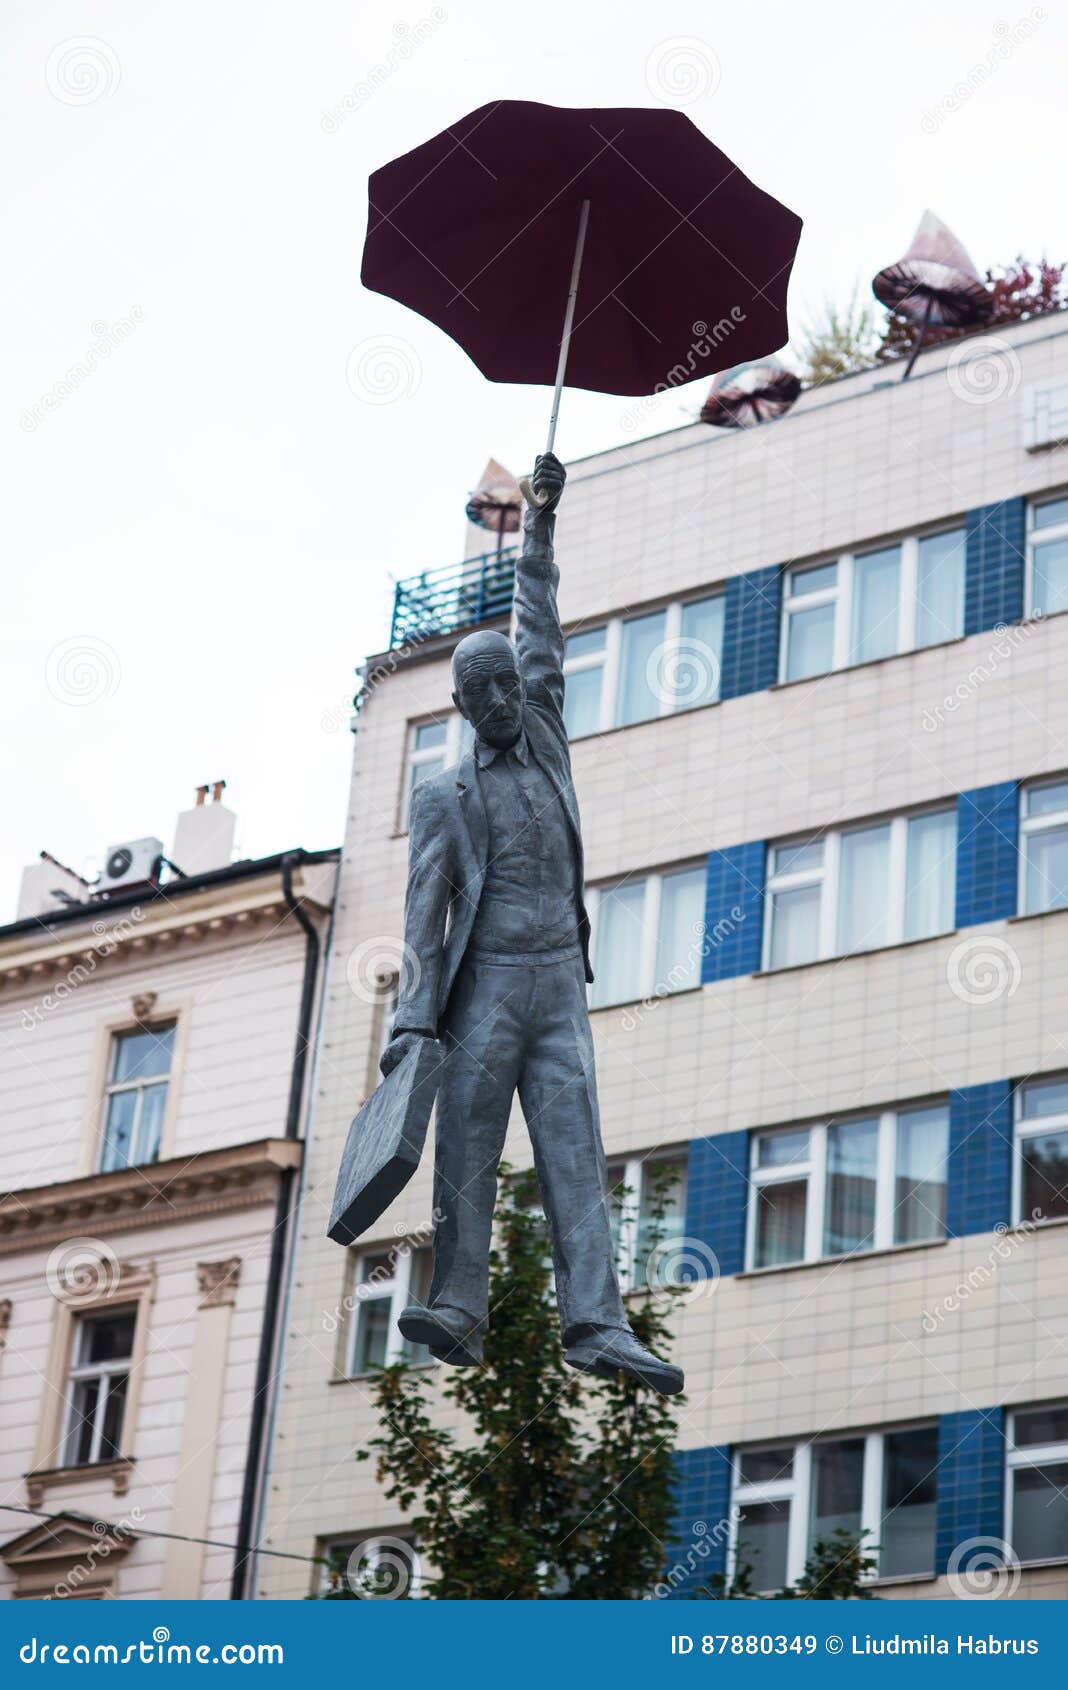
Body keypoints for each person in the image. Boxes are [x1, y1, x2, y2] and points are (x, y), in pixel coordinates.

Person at [380, 452, 683, 1395]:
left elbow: (541, 616)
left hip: (557, 982)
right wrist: (410, 1025)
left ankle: (596, 1323)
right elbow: (423, 917)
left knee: (575, 1150)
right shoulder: (442, 797)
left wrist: (541, 522)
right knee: (467, 1148)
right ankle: (459, 1307)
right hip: (486, 991)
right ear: (465, 709)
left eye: (516, 688)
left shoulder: (546, 726)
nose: (509, 704)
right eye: (492, 698)